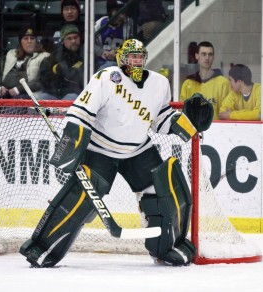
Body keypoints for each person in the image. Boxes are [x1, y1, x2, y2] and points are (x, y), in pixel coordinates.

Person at [19, 39, 203, 268]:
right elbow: (80, 112)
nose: (136, 61)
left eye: (139, 57)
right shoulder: (106, 78)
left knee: (162, 193)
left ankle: (166, 248)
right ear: (121, 59)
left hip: (138, 150)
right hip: (100, 150)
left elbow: (161, 120)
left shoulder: (159, 83)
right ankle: (42, 247)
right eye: (131, 57)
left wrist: (185, 125)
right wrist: (73, 143)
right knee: (80, 200)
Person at [0, 26, 50, 114]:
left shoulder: (44, 56)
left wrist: (18, 89)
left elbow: (41, 81)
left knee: (12, 109)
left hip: (27, 94)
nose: (29, 41)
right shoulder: (10, 54)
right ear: (20, 41)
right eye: (25, 38)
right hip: (4, 92)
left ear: (36, 41)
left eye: (32, 38)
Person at [180, 41, 231, 120]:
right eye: (204, 54)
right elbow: (182, 111)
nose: (207, 58)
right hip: (192, 130)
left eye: (210, 54)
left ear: (213, 57)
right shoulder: (188, 83)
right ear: (197, 56)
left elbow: (226, 113)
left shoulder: (224, 83)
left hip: (218, 130)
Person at [38, 24, 84, 101]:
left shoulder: (85, 54)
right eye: (69, 38)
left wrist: (63, 71)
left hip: (74, 93)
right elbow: (44, 79)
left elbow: (79, 79)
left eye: (76, 37)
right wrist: (55, 82)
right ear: (63, 41)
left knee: (72, 98)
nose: (73, 41)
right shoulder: (53, 57)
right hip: (53, 94)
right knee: (41, 100)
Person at [94, 0, 134, 70]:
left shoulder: (128, 23)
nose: (121, 16)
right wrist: (101, 52)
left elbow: (131, 45)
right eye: (118, 12)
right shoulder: (100, 23)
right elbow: (89, 44)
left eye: (123, 13)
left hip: (120, 62)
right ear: (110, 12)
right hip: (100, 62)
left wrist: (117, 51)